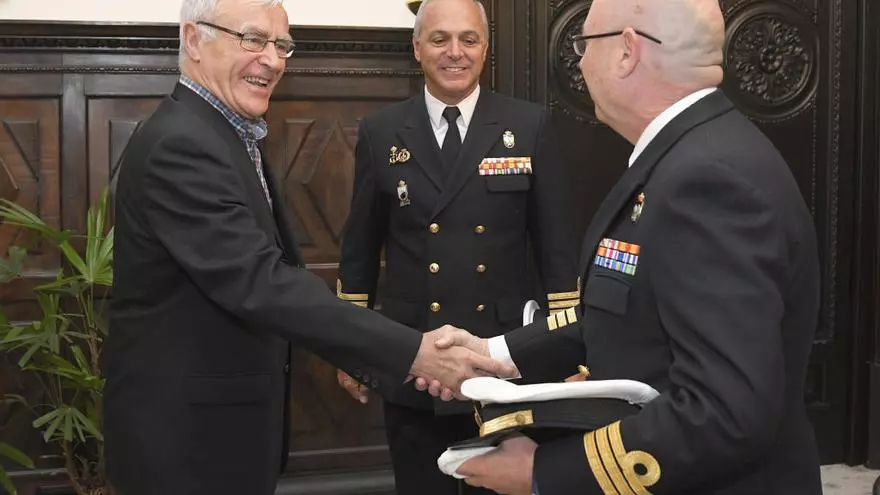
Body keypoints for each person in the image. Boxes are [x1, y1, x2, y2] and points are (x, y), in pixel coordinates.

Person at [102, 0, 514, 494]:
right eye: (253, 39)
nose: (272, 60)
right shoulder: (183, 144)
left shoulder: (225, 133)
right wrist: (414, 352)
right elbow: (263, 284)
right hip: (185, 443)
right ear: (193, 40)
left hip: (216, 433)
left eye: (281, 44)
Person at [425, 0, 823, 493]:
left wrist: (542, 472)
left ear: (626, 51)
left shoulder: (707, 179)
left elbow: (723, 413)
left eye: (584, 43)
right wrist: (495, 352)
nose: (579, 62)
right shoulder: (688, 153)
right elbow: (624, 311)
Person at [333, 0, 580, 493]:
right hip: (415, 355)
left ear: (485, 48)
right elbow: (359, 249)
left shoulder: (527, 125)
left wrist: (569, 348)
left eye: (469, 40)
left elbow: (556, 248)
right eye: (439, 39)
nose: (455, 52)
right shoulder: (382, 131)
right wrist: (351, 347)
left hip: (504, 357)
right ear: (416, 48)